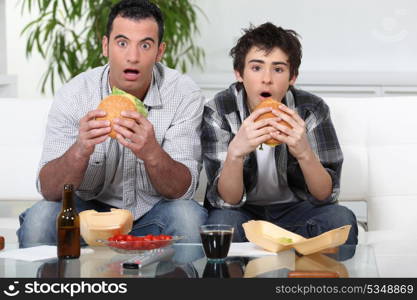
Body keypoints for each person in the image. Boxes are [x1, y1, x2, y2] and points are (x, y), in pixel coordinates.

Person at [17, 0, 207, 247]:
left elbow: (183, 190)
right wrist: (80, 150)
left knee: (188, 217)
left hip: (154, 215)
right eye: (122, 43)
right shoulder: (75, 94)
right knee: (41, 219)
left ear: (160, 51)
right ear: (105, 46)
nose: (133, 57)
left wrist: (151, 152)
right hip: (88, 217)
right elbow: (49, 190)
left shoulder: (183, 94)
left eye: (145, 45)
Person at [201, 22, 358, 244]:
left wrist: (304, 153)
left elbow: (325, 195)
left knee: (341, 219)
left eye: (278, 69)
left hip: (297, 210)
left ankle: (319, 278)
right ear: (239, 73)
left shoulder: (311, 110)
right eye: (256, 68)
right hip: (243, 212)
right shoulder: (219, 110)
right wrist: (235, 153)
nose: (267, 79)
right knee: (222, 225)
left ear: (292, 77)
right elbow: (228, 200)